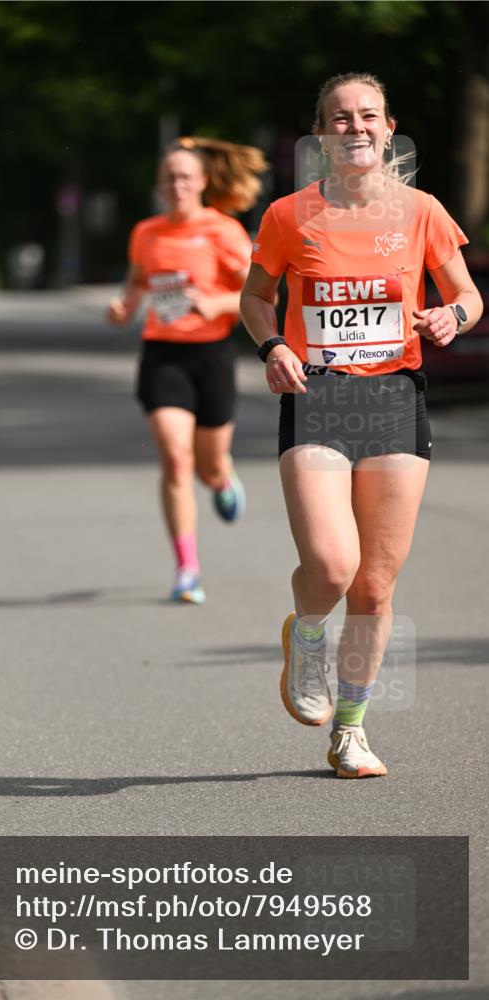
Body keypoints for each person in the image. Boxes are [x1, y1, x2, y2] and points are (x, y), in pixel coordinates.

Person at [240, 73, 483, 778]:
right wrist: (273, 344)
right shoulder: (288, 216)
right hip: (317, 397)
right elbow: (256, 299)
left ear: (387, 128)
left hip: (392, 400)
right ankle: (306, 631)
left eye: (366, 117)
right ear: (319, 135)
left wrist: (450, 316)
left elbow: (464, 295)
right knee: (330, 566)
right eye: (339, 119)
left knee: (374, 587)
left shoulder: (420, 211)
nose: (354, 128)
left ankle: (350, 729)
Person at [107, 137, 267, 604]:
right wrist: (124, 307)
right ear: (160, 186)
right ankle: (187, 569)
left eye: (185, 177)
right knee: (176, 458)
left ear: (201, 182)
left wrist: (211, 301)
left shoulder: (225, 232)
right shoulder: (147, 232)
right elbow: (137, 283)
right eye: (169, 178)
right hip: (162, 355)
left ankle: (220, 477)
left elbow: (256, 296)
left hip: (211, 356)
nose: (177, 185)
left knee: (208, 463)